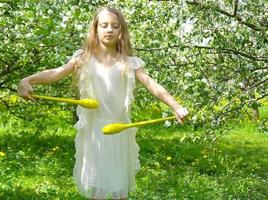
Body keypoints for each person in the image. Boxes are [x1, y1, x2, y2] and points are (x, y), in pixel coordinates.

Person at [18, 7, 189, 200]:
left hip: (119, 131)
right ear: (96, 29)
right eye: (104, 25)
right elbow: (56, 73)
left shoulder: (129, 62)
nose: (109, 30)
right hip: (94, 134)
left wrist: (176, 106)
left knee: (119, 191)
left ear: (121, 31)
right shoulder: (83, 58)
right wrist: (28, 80)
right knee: (97, 192)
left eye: (115, 26)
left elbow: (153, 85)